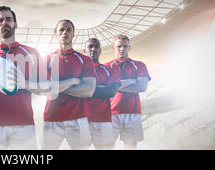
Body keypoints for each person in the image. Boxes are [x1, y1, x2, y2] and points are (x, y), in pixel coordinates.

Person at [0, 6, 46, 150]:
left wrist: (24, 84)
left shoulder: (31, 53)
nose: (4, 23)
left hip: (23, 125)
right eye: (0, 21)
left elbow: (46, 87)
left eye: (8, 19)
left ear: (15, 24)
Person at [41, 20, 97, 150]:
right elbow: (43, 88)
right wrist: (72, 81)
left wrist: (56, 87)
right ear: (55, 34)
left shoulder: (85, 60)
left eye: (68, 30)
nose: (65, 32)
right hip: (51, 118)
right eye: (61, 30)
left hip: (78, 118)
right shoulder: (46, 60)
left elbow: (88, 90)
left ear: (73, 34)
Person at [105, 34, 151, 149]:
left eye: (125, 46)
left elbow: (142, 87)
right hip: (109, 113)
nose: (122, 49)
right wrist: (131, 81)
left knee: (130, 146)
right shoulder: (106, 67)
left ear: (129, 48)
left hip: (132, 112)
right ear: (113, 48)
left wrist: (115, 85)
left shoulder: (139, 65)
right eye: (119, 46)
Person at [83, 38, 120, 150]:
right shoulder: (78, 71)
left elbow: (111, 92)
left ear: (100, 50)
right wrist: (101, 89)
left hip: (103, 119)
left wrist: (86, 90)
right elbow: (73, 91)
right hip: (81, 119)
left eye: (96, 46)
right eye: (90, 46)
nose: (93, 49)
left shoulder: (108, 69)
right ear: (84, 50)